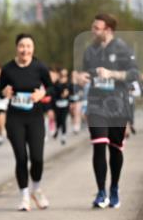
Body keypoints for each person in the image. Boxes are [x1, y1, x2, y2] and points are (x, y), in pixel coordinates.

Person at [76, 13, 139, 209]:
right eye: (92, 27)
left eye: (97, 28)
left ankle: (114, 188)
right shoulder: (90, 51)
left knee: (115, 148)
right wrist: (81, 78)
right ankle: (101, 191)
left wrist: (111, 74)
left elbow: (134, 74)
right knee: (99, 144)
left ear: (108, 30)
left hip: (118, 105)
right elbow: (86, 73)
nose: (93, 31)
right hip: (96, 104)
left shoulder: (122, 48)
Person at [0, 34, 53, 211]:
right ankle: (24, 196)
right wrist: (4, 92)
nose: (25, 50)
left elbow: (52, 87)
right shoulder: (8, 69)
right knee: (21, 157)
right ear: (17, 47)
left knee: (37, 158)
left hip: (35, 117)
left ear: (33, 48)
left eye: (29, 46)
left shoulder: (40, 67)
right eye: (22, 46)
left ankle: (36, 189)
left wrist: (42, 93)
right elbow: (0, 90)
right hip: (15, 118)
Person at [51, 68, 72, 145]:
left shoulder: (68, 83)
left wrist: (67, 94)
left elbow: (71, 93)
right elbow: (53, 93)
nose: (63, 76)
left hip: (65, 105)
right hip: (57, 104)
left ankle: (63, 136)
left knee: (63, 120)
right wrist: (60, 95)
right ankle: (57, 130)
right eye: (62, 74)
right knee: (58, 120)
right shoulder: (56, 83)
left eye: (65, 74)